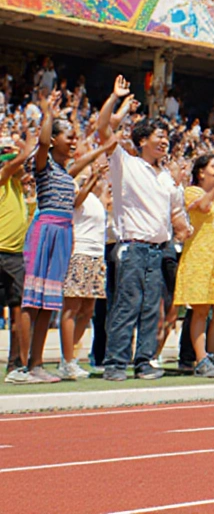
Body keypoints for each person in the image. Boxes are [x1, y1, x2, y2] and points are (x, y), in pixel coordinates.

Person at [15, 91, 116, 383]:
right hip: (45, 230)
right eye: (68, 137)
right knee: (31, 300)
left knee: (48, 302)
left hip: (63, 233)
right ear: (55, 139)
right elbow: (43, 142)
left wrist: (102, 149)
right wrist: (47, 112)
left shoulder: (62, 172)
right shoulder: (43, 164)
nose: (73, 141)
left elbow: (78, 167)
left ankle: (36, 365)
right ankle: (22, 367)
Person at [99, 76, 176, 382]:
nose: (164, 141)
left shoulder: (166, 176)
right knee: (126, 306)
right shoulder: (125, 163)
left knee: (150, 311)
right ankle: (116, 363)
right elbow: (103, 128)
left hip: (158, 250)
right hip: (132, 248)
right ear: (141, 140)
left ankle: (144, 362)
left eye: (167, 137)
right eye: (159, 136)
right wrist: (115, 99)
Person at [175, 153, 214, 378]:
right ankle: (200, 358)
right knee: (200, 310)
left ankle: (211, 355)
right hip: (198, 256)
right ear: (201, 172)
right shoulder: (192, 191)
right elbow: (202, 207)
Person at [59, 162, 107, 380]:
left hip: (96, 255)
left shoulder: (94, 199)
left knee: (88, 309)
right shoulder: (72, 192)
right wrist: (92, 178)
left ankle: (70, 358)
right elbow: (77, 202)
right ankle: (67, 360)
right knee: (72, 307)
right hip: (79, 252)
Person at [1, 131, 35, 381]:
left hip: (14, 256)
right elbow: (16, 162)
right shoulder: (2, 178)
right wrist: (26, 146)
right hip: (3, 254)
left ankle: (16, 365)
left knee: (19, 310)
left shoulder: (17, 188)